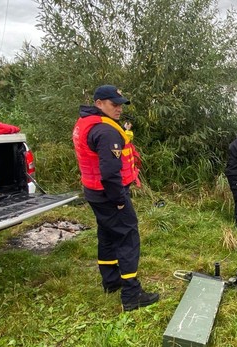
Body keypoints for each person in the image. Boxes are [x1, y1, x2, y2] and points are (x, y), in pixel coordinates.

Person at [72, 85, 159, 311]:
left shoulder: (86, 122)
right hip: (109, 194)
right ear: (99, 103)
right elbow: (110, 173)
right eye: (114, 104)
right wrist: (119, 199)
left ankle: (111, 282)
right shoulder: (106, 131)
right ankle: (132, 294)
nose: (119, 109)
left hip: (93, 192)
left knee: (107, 234)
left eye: (120, 104)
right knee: (128, 236)